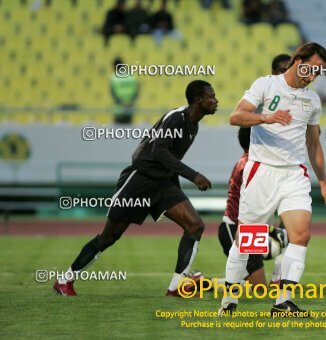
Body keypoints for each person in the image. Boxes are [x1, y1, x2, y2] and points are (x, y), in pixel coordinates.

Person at [53, 80, 218, 296]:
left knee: (195, 225)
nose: (216, 100)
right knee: (109, 237)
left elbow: (170, 160)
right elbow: (159, 152)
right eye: (211, 96)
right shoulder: (177, 118)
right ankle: (64, 280)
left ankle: (176, 287)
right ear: (198, 99)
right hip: (139, 182)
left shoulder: (193, 125)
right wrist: (193, 175)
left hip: (163, 184)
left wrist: (177, 191)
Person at [218, 42, 326, 316]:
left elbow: (314, 144)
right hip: (262, 171)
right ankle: (229, 301)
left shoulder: (312, 100)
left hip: (294, 173)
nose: (313, 76)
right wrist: (267, 117)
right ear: (297, 60)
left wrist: (323, 181)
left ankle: (282, 301)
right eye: (311, 68)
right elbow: (236, 116)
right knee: (248, 241)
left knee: (301, 234)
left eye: (319, 72)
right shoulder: (266, 85)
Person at [216, 54, 292, 291]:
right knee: (259, 288)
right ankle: (203, 285)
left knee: (260, 285)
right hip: (235, 228)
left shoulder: (258, 163)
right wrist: (271, 231)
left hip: (251, 228)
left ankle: (273, 278)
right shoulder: (247, 166)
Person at [111, 57, 139, 124]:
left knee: (118, 132)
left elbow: (113, 94)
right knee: (128, 131)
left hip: (119, 110)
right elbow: (137, 91)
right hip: (130, 108)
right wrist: (130, 103)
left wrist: (122, 104)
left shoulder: (114, 77)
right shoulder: (131, 76)